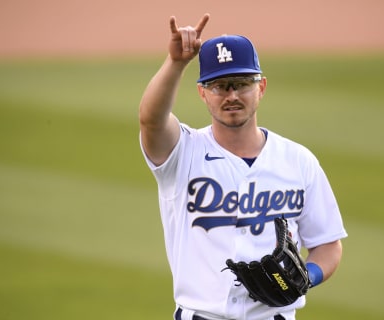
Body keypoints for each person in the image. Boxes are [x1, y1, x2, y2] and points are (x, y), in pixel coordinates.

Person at [139, 13, 347, 320]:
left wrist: (305, 277)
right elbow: (151, 121)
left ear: (261, 87)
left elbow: (328, 245)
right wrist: (176, 63)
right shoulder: (182, 153)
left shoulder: (298, 161)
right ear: (202, 93)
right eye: (220, 86)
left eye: (242, 83)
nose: (232, 95)